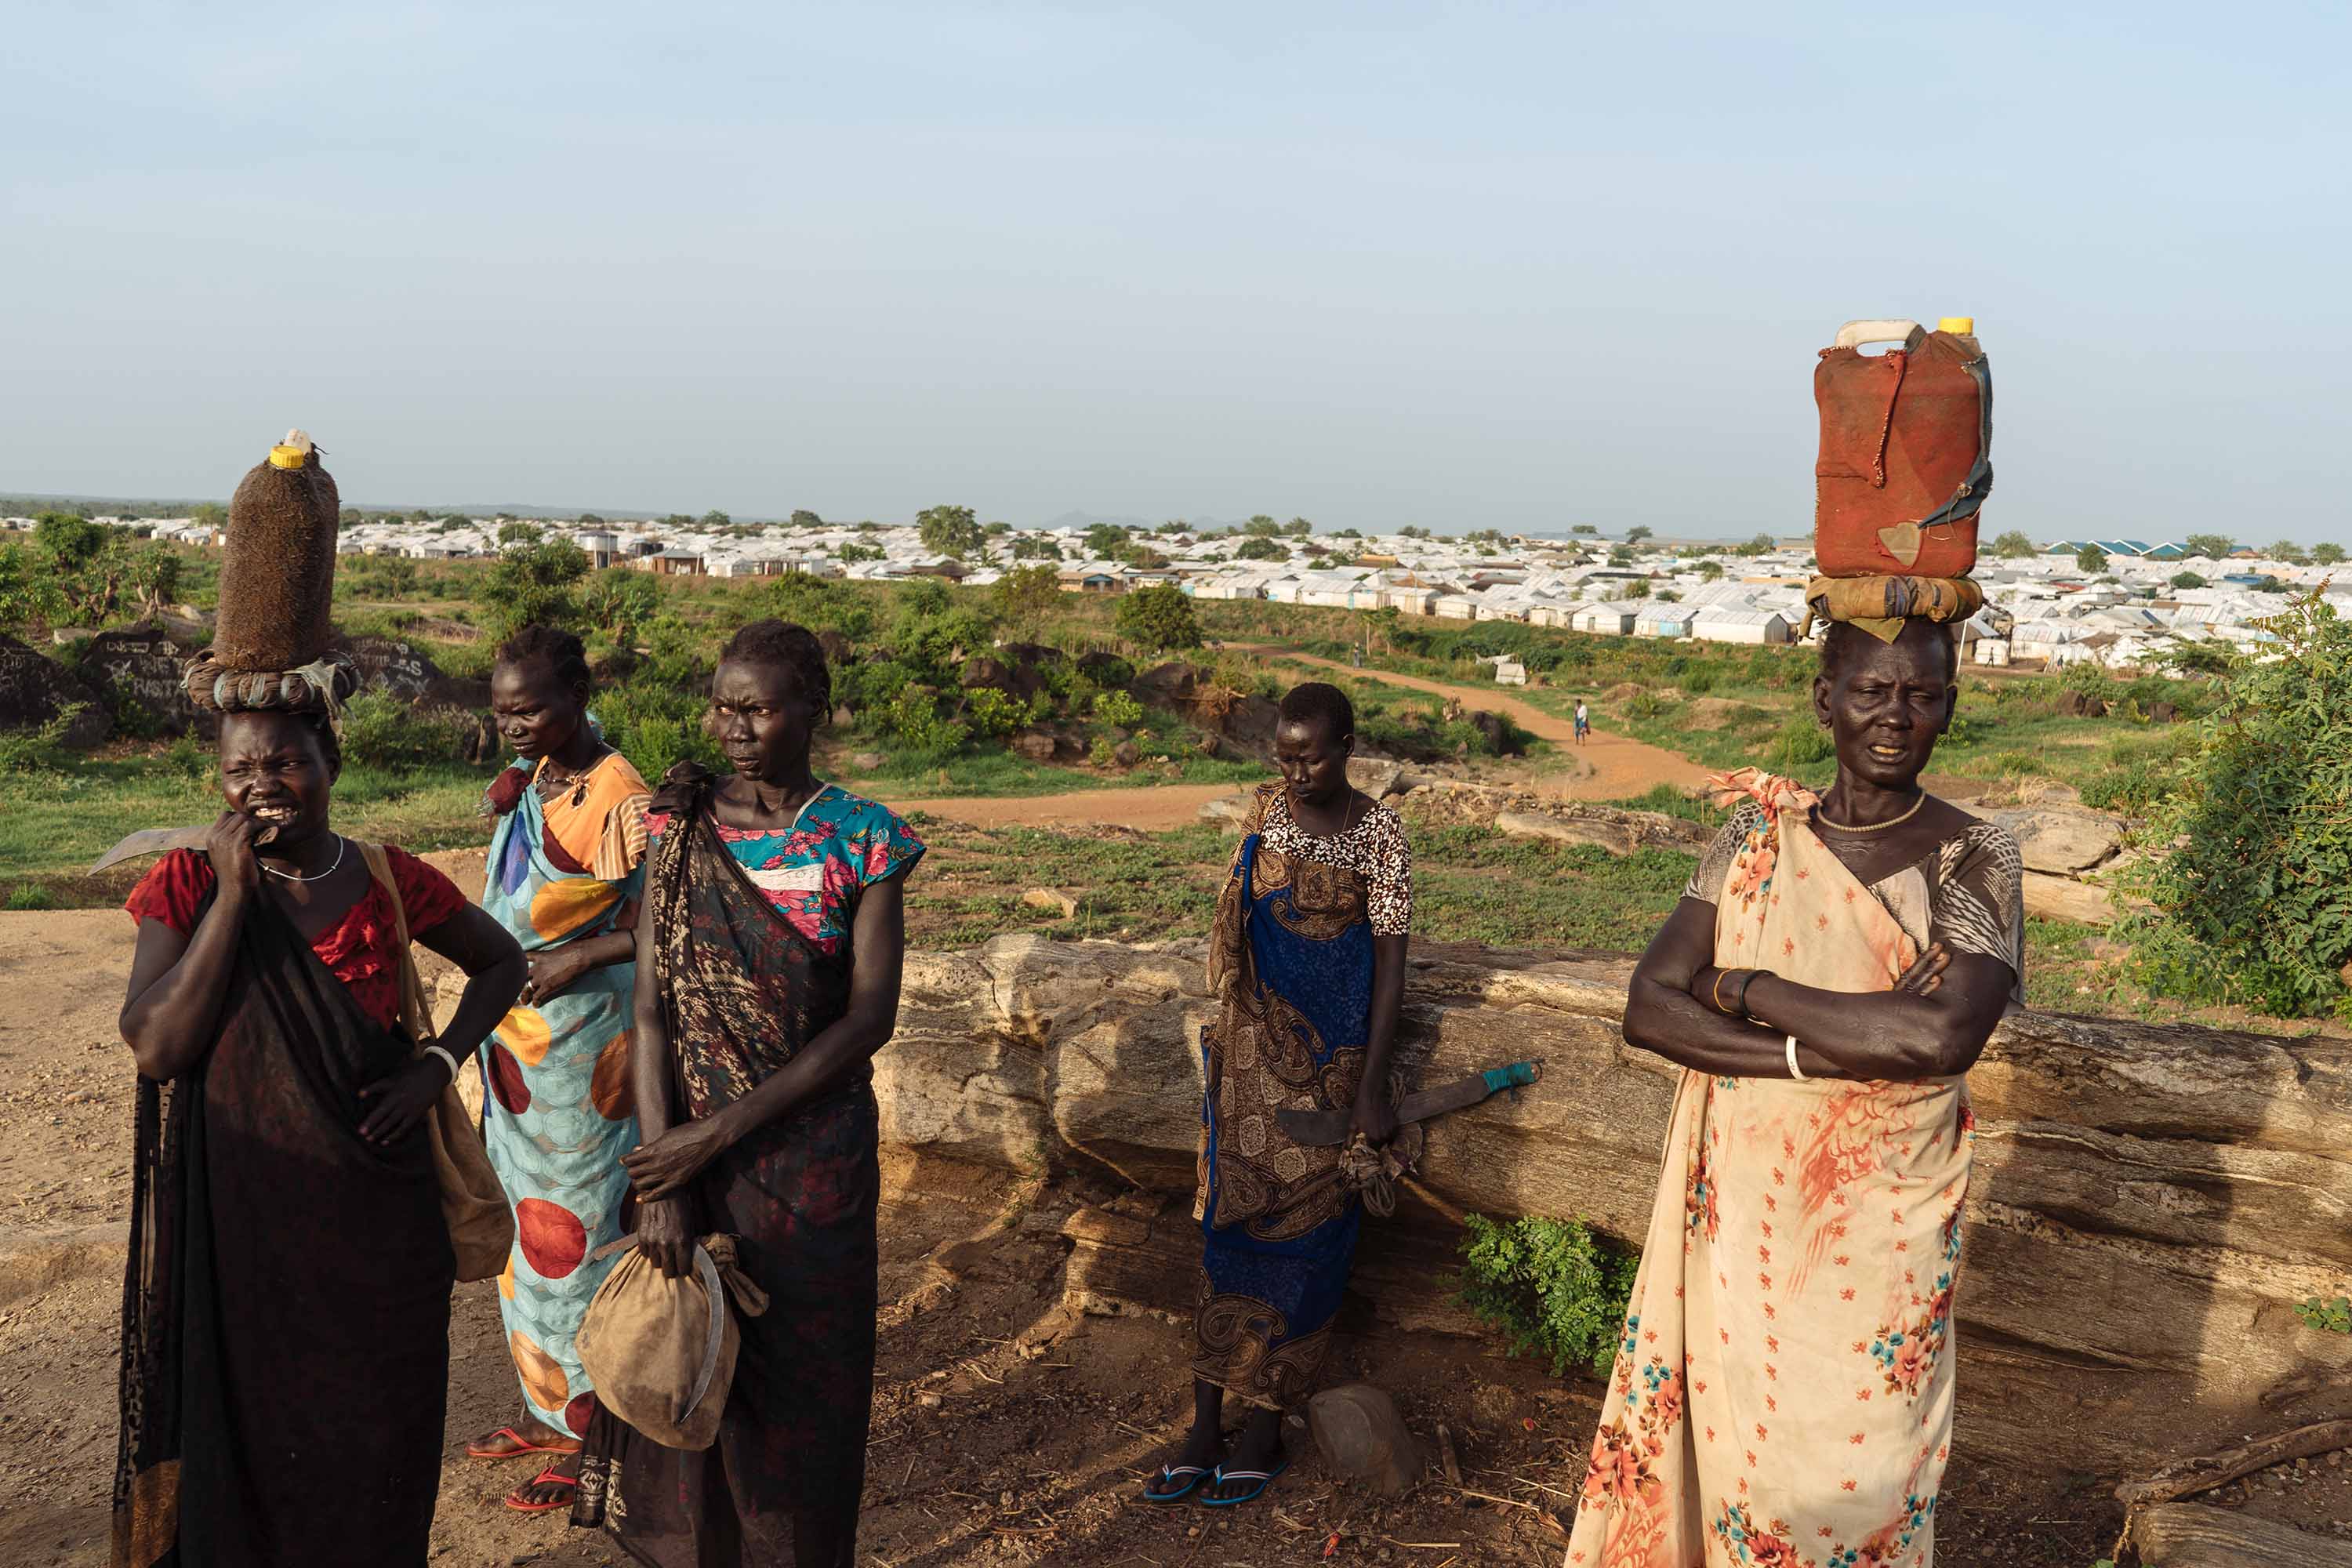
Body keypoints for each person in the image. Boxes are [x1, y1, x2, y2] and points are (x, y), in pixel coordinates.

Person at [1563, 616, 2024, 1568]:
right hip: (1741, 1208)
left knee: (1872, 1463)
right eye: (1872, 691)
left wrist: (1742, 988)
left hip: (1882, 1222)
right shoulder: (1754, 833)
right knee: (1745, 1455)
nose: (1897, 715)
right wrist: (1819, 1050)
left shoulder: (1978, 856)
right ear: (1826, 701)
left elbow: (1939, 1036)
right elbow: (1649, 1006)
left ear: (1949, 707)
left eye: (1923, 694)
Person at [114, 707, 528, 1567]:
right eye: (241, 770)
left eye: (287, 762)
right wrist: (235, 895)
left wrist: (441, 1058)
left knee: (379, 1432)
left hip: (381, 1216)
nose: (262, 784)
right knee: (252, 1427)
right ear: (220, 784)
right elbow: (157, 1044)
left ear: (331, 764)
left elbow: (503, 961)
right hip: (244, 1218)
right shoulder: (189, 883)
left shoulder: (385, 876)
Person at [571, 619, 924, 1568]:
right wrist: (664, 1178)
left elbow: (867, 1019)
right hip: (689, 1154)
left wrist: (715, 1133)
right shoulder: (678, 822)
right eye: (723, 704)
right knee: (691, 1369)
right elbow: (649, 1008)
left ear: (813, 710)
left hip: (814, 1170)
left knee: (808, 1390)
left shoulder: (865, 838)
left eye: (758, 707)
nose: (733, 726)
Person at [1144, 681, 1412, 1508]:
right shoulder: (1263, 817)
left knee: (1311, 1248)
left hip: (1333, 1073)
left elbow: (1391, 962)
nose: (1297, 771)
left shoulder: (1380, 834)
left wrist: (1370, 1086)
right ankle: (1204, 1421)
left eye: (1314, 754)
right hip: (1251, 1069)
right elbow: (1235, 932)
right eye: (1285, 755)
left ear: (1348, 746)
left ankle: (1264, 1426)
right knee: (1229, 1239)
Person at [464, 624, 655, 1512]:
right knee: (525, 1239)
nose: (514, 722)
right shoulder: (544, 773)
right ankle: (548, 1408)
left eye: (531, 707)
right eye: (504, 710)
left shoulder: (621, 793)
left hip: (585, 1057)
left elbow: (662, 924)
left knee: (580, 1240)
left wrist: (580, 957)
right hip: (520, 1054)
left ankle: (596, 1432)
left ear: (578, 696)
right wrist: (518, 785)